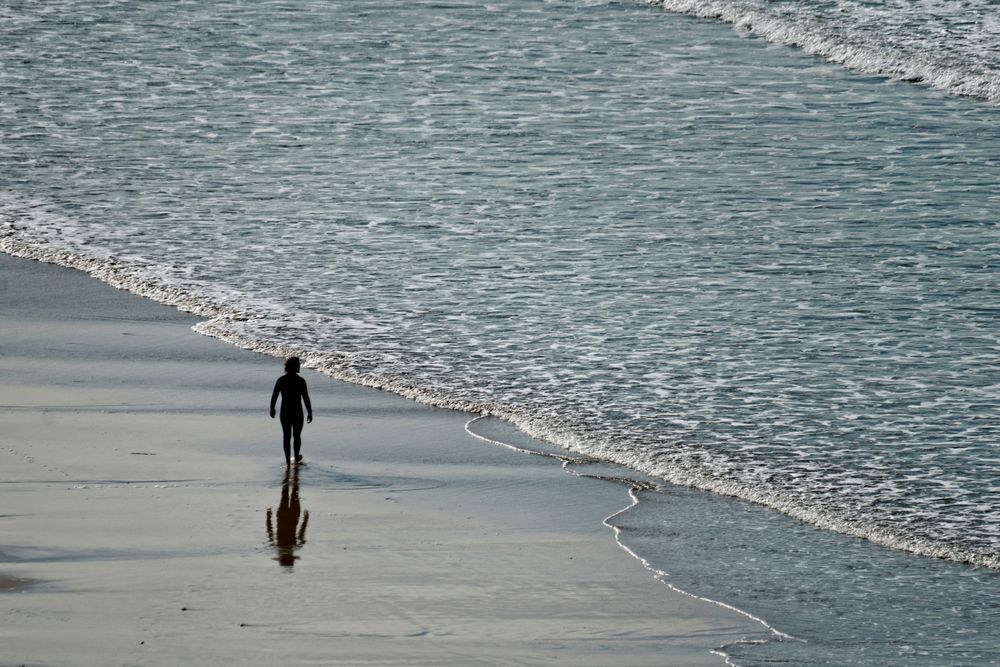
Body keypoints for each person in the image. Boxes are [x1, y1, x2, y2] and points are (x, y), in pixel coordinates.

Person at [270, 356, 313, 466]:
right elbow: (305, 398)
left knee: (286, 436)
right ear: (296, 367)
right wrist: (309, 412)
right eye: (298, 364)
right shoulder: (300, 381)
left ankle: (288, 462)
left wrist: (272, 409)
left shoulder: (281, 380)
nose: (299, 366)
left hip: (285, 412)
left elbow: (274, 396)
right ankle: (296, 456)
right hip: (297, 412)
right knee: (297, 436)